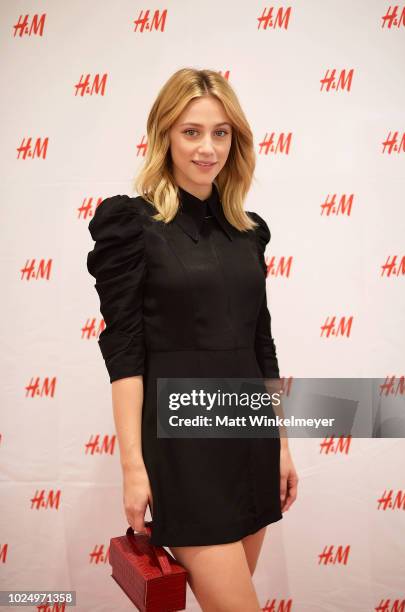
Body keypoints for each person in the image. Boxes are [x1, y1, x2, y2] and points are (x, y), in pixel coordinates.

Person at [87, 67, 299, 611]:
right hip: (183, 452)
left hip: (249, 439)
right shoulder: (132, 225)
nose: (208, 147)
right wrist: (133, 466)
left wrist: (280, 443)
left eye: (221, 132)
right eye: (191, 131)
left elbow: (262, 344)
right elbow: (125, 353)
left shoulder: (247, 230)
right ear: (164, 135)